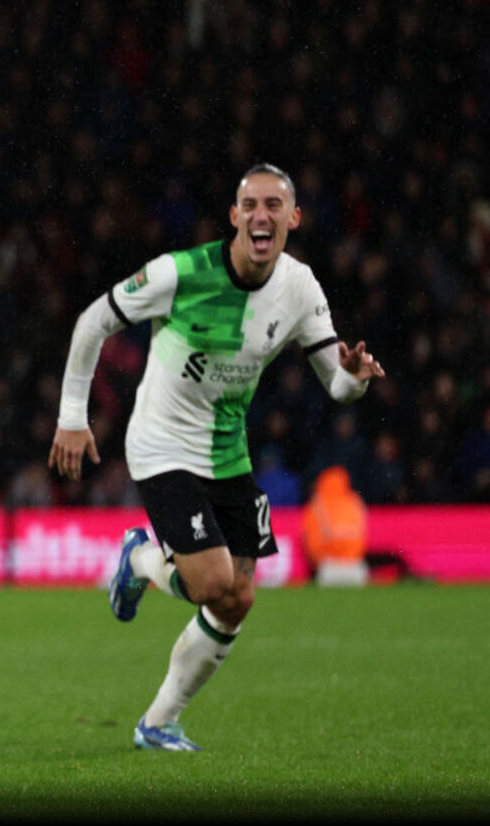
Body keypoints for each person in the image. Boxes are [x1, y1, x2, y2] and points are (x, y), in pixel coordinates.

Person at [48, 163, 385, 751]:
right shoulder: (180, 273)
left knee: (239, 598)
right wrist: (72, 418)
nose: (261, 215)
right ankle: (140, 561)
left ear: (293, 219)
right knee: (210, 582)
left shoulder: (301, 288)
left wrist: (355, 379)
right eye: (250, 205)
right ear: (234, 216)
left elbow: (337, 383)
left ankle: (158, 722)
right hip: (162, 443)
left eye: (274, 206)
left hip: (227, 450)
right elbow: (92, 322)